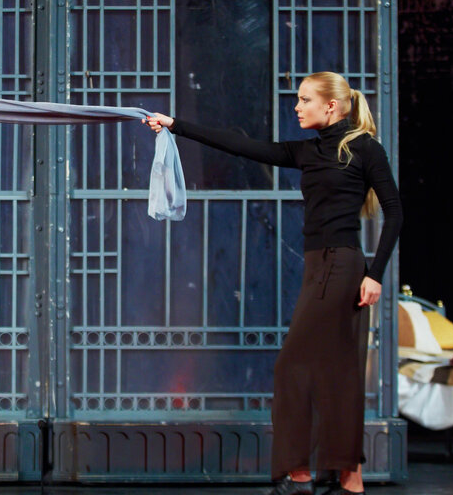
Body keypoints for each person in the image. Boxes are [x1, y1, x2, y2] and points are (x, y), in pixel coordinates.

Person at [146, 72, 402, 495]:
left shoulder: (365, 149)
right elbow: (241, 145)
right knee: (335, 371)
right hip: (318, 265)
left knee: (295, 367)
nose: (297, 107)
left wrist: (375, 275)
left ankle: (303, 475)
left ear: (330, 105)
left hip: (343, 266)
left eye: (305, 100)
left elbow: (395, 212)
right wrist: (176, 125)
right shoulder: (307, 151)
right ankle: (347, 477)